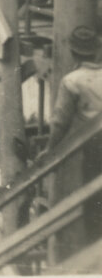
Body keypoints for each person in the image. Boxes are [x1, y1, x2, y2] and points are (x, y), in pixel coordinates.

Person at [46, 26, 102, 239]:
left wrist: (51, 150)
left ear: (72, 52)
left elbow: (60, 121)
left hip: (96, 144)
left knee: (94, 196)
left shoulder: (72, 81)